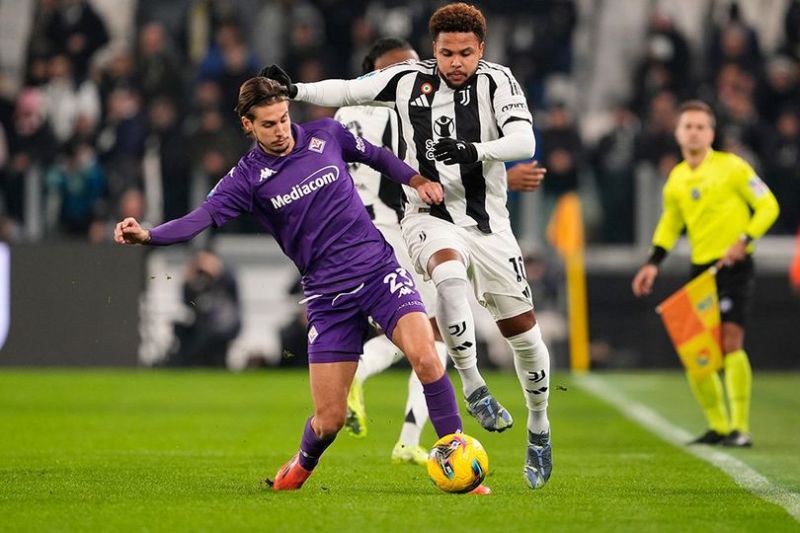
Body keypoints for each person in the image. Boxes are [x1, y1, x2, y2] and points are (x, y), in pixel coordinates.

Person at [114, 77, 470, 492]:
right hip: (327, 298)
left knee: (426, 358)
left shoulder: (327, 134)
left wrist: (414, 180)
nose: (281, 130)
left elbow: (376, 157)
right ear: (248, 125)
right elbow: (201, 218)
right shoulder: (246, 179)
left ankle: (456, 460)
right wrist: (149, 235)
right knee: (329, 420)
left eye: (283, 118)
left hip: (378, 272)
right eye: (268, 124)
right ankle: (301, 466)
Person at [261, 2, 554, 489]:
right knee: (445, 281)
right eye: (445, 53)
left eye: (464, 53)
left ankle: (539, 426)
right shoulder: (405, 82)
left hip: (488, 225)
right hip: (423, 217)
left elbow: (524, 140)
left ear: (481, 50)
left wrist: (476, 153)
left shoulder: (500, 81)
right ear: (431, 51)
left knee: (525, 337)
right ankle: (473, 388)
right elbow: (351, 90)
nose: (454, 62)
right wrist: (291, 90)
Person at [337, 36, 547, 467]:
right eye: (403, 66)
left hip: (354, 235)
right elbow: (422, 168)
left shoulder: (343, 116)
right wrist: (501, 173)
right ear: (378, 74)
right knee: (430, 334)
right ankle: (379, 396)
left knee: (421, 332)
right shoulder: (398, 106)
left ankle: (409, 435)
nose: (418, 75)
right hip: (401, 231)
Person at [632, 100, 779, 448]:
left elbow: (768, 205)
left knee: (730, 342)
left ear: (711, 133)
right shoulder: (678, 179)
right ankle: (719, 425)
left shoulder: (733, 168)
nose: (695, 131)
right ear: (679, 133)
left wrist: (745, 239)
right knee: (698, 350)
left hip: (735, 267)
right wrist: (653, 262)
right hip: (702, 270)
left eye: (701, 126)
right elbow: (671, 224)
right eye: (689, 126)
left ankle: (740, 428)